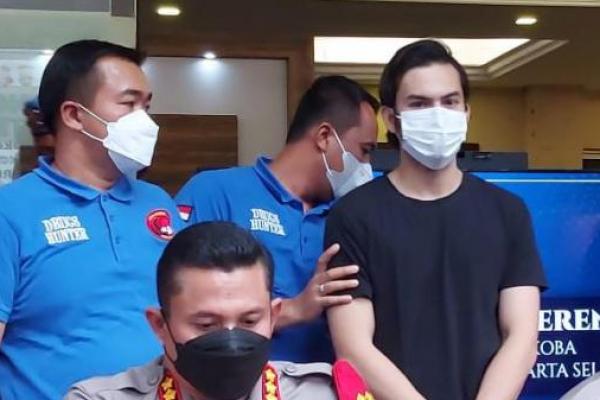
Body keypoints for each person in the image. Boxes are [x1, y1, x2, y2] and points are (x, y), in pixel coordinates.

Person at [325, 39, 547, 400]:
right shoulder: (352, 215)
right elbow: (354, 347)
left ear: (466, 113)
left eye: (450, 101)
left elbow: (521, 336)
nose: (438, 114)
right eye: (419, 104)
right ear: (391, 119)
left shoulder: (508, 212)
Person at [0, 40, 182, 400]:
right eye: (128, 104)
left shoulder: (158, 203)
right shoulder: (11, 211)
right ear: (74, 115)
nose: (145, 121)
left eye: (146, 106)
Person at [175, 76, 379, 363]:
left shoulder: (353, 213)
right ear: (324, 137)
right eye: (365, 151)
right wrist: (295, 309)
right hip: (237, 380)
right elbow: (182, 311)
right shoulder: (215, 192)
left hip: (329, 382)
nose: (367, 167)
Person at [64, 222, 374, 400]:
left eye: (249, 320)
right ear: (160, 325)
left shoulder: (324, 395)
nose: (231, 340)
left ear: (273, 316)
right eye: (206, 324)